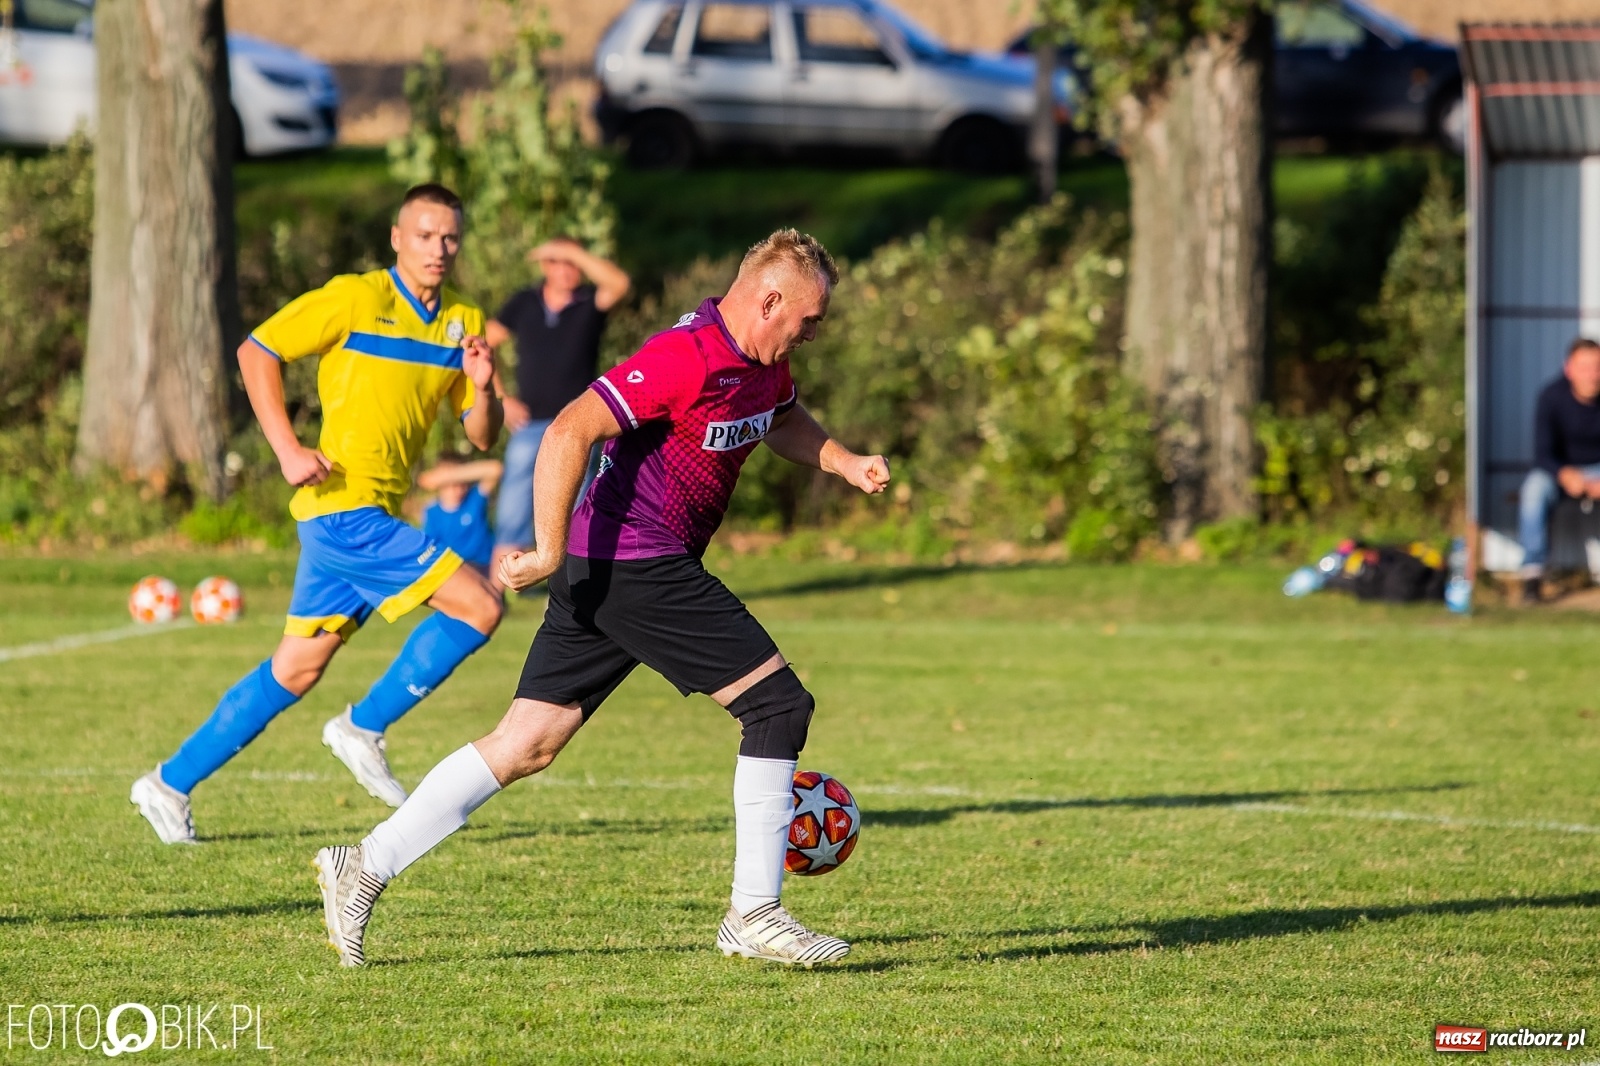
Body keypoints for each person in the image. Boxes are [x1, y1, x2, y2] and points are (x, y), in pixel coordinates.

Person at [314, 229, 890, 968]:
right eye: (809, 319)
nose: (812, 334)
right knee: (777, 706)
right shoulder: (687, 355)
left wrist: (842, 462)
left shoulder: (764, 366)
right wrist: (547, 550)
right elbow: (569, 429)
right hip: (632, 560)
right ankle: (754, 913)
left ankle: (363, 865)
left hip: (623, 565)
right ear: (770, 300)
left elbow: (781, 418)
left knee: (527, 743)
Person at [130, 184, 506, 844]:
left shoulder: (461, 320)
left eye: (449, 237)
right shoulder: (355, 298)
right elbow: (256, 351)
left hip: (369, 514)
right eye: (424, 235)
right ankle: (363, 726)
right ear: (397, 238)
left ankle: (169, 782)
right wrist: (286, 449)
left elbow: (481, 435)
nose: (438, 249)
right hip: (343, 512)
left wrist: (483, 386)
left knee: (295, 669)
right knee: (480, 605)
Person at [486, 237, 630, 578]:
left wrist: (572, 251)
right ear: (545, 266)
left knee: (574, 514)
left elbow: (620, 284)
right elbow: (485, 341)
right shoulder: (524, 301)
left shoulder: (590, 302)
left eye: (571, 263)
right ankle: (496, 591)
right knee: (512, 511)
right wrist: (502, 399)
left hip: (577, 428)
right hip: (528, 425)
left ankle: (567, 593)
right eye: (557, 261)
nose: (565, 269)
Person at [1518, 337, 1600, 603]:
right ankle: (1532, 574)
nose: (1592, 375)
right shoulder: (1551, 397)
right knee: (1533, 490)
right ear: (1569, 369)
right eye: (1585, 368)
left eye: (1597, 367)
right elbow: (1542, 454)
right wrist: (1565, 474)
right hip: (1560, 471)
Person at [418, 455, 503, 575]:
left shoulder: (474, 498)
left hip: (485, 567)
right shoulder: (432, 513)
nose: (457, 489)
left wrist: (450, 475)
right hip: (456, 571)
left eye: (461, 483)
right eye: (449, 484)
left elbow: (495, 469)